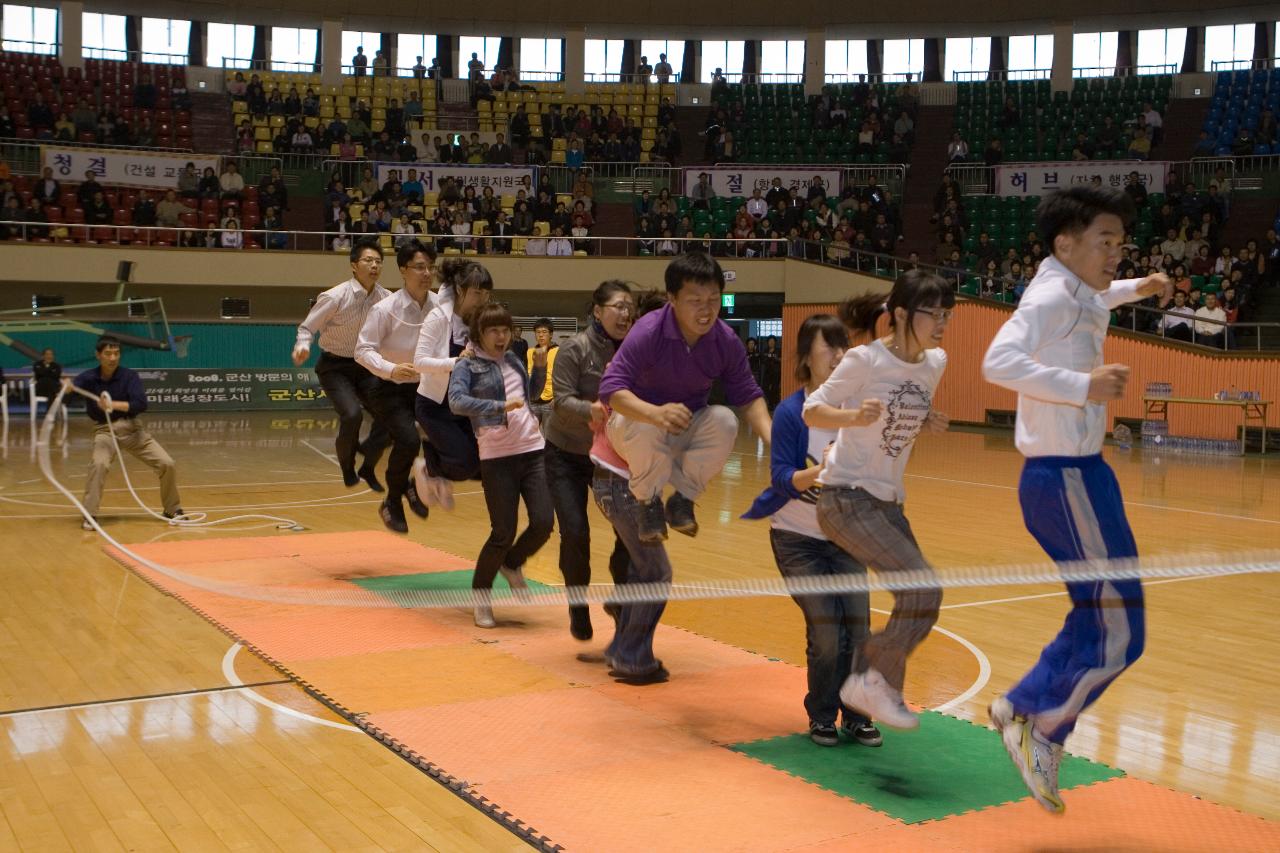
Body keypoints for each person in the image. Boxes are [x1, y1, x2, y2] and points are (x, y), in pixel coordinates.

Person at [982, 185, 1167, 814]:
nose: (1116, 252)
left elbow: (1100, 297)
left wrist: (1138, 286)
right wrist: (1081, 383)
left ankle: (1020, 701)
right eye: (1104, 241)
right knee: (1122, 633)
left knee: (1098, 616)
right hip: (1063, 479)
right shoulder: (1053, 294)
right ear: (1066, 244)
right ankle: (1045, 727)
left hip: (1080, 476)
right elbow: (997, 361)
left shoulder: (1077, 288)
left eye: (1120, 242)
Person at [802, 274, 952, 732]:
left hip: (887, 502)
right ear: (902, 314)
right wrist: (852, 415)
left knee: (924, 598)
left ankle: (875, 683)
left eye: (948, 314)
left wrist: (926, 418)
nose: (943, 323)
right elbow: (813, 409)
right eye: (934, 313)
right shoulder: (865, 359)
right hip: (845, 498)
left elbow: (903, 401)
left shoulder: (936, 361)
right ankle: (870, 675)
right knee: (923, 587)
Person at [743, 314, 882, 749]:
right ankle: (822, 714)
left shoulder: (856, 412)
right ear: (807, 357)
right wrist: (820, 473)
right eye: (830, 348)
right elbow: (783, 478)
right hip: (796, 540)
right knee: (826, 632)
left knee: (858, 630)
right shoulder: (791, 414)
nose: (840, 356)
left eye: (845, 348)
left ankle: (857, 716)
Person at [598, 252, 771, 543]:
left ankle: (682, 498)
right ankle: (649, 502)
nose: (706, 310)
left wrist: (772, 436)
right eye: (695, 301)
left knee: (725, 420)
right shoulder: (648, 331)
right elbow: (612, 391)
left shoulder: (725, 340)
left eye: (713, 299)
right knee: (645, 424)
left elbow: (749, 395)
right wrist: (653, 413)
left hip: (683, 426)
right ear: (673, 299)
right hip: (632, 426)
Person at [448, 302, 551, 628]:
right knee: (502, 532)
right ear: (479, 333)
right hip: (496, 457)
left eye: (505, 329)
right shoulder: (467, 365)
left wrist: (537, 369)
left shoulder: (513, 359)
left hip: (533, 450)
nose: (501, 336)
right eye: (493, 330)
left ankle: (512, 564)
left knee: (544, 523)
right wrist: (497, 405)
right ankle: (481, 598)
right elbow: (456, 402)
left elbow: (529, 397)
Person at [544, 281, 636, 640]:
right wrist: (592, 410)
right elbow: (559, 401)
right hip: (565, 453)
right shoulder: (574, 348)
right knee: (576, 534)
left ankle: (619, 598)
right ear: (597, 311)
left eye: (629, 306)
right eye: (617, 306)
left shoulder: (634, 349)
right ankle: (577, 604)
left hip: (612, 457)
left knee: (629, 533)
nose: (625, 313)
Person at [292, 236, 391, 491]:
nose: (374, 266)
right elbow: (307, 327)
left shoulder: (386, 298)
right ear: (354, 265)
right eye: (368, 260)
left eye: (378, 262)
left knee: (392, 415)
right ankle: (347, 467)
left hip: (367, 366)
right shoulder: (335, 296)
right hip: (335, 367)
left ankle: (368, 465)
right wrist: (302, 346)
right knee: (352, 414)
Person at [355, 240, 439, 533]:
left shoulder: (441, 307)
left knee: (450, 438)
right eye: (419, 267)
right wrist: (392, 369)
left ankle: (412, 486)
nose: (426, 273)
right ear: (403, 270)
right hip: (388, 388)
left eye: (430, 267)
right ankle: (392, 500)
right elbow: (362, 350)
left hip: (426, 387)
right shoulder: (385, 309)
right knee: (408, 440)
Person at [69, 336, 183, 529]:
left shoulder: (130, 376)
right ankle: (90, 515)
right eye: (108, 353)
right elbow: (69, 391)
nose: (112, 358)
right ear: (98, 355)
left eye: (116, 353)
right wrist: (65, 388)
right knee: (99, 464)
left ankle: (173, 509)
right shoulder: (88, 378)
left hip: (133, 430)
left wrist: (113, 405)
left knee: (167, 463)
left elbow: (141, 404)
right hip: (105, 431)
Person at [412, 259, 493, 509]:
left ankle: (436, 465)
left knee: (483, 460)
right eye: (477, 293)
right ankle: (429, 467)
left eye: (487, 294)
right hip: (434, 406)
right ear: (460, 290)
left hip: (463, 406)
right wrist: (455, 362)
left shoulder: (478, 322)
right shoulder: (438, 318)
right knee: (464, 463)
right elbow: (419, 362)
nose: (482, 300)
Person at [526, 317, 558, 425]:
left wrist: (558, 397)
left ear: (551, 334)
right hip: (533, 400)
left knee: (550, 435)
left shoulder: (559, 351)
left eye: (544, 332)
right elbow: (529, 374)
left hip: (550, 400)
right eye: (538, 332)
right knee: (530, 434)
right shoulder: (530, 352)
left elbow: (563, 376)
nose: (541, 335)